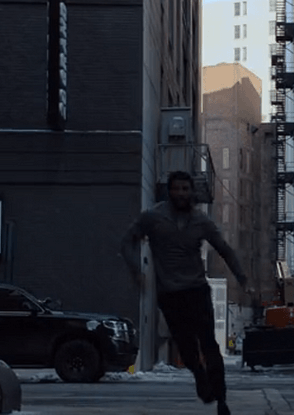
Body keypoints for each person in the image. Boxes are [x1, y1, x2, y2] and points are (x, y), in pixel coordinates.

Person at [120, 171, 250, 415]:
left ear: (191, 192)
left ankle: (222, 400)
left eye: (185, 189)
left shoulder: (201, 222)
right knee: (187, 348)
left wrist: (241, 276)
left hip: (197, 290)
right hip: (170, 294)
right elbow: (127, 241)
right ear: (169, 191)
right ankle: (199, 375)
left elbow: (224, 249)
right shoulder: (153, 218)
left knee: (209, 344)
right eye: (177, 189)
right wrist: (136, 271)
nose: (181, 194)